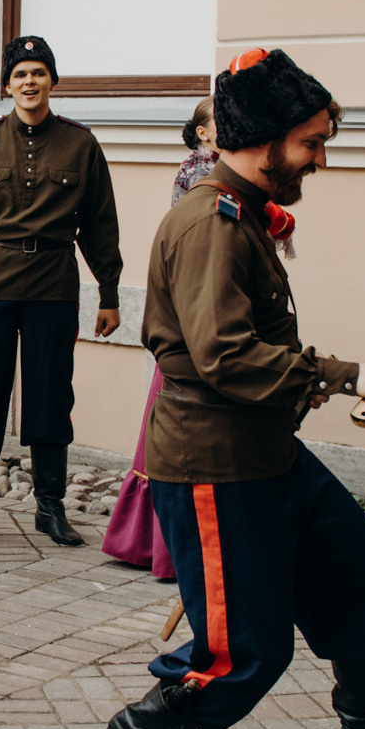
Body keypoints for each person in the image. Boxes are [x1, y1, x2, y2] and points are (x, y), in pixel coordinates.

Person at [80, 48, 365, 729]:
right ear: (265, 139)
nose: (319, 160)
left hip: (267, 454)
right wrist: (348, 374)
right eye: (311, 144)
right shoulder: (211, 222)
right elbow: (223, 356)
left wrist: (334, 380)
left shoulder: (242, 211)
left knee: (363, 571)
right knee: (243, 652)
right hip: (214, 466)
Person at [0, 35, 124, 551]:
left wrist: (109, 292)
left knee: (50, 396)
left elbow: (100, 224)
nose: (30, 82)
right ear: (7, 85)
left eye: (39, 72)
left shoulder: (80, 144)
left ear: (53, 82)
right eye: (20, 74)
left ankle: (50, 508)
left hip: (52, 286)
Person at [101, 97, 216, 578]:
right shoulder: (196, 174)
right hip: (193, 306)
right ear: (203, 133)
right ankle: (157, 540)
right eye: (219, 124)